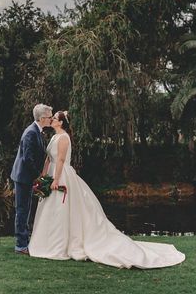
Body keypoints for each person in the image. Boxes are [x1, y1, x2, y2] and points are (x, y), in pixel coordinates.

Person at [29, 111, 185, 269]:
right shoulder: (54, 137)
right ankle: (47, 242)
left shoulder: (63, 137)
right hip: (51, 173)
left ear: (61, 123)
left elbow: (61, 160)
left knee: (62, 208)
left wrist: (56, 179)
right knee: (50, 209)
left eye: (54, 118)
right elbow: (49, 158)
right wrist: (43, 176)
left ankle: (61, 244)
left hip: (62, 175)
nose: (52, 119)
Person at [10, 103, 52, 254]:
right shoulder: (31, 133)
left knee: (25, 209)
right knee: (22, 210)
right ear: (42, 118)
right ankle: (21, 245)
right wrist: (38, 175)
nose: (51, 119)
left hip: (26, 176)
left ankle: (24, 241)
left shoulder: (37, 131)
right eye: (49, 117)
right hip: (23, 177)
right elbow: (27, 158)